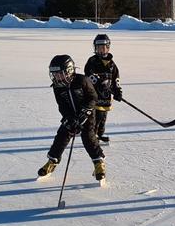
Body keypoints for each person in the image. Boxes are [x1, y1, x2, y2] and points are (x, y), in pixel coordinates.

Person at [37, 54, 107, 183]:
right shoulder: (57, 87)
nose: (56, 77)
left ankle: (99, 163)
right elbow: (62, 105)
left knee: (88, 137)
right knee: (61, 136)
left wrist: (85, 112)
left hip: (88, 114)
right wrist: (69, 118)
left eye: (59, 73)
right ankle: (52, 161)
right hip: (71, 116)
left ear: (69, 71)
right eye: (54, 74)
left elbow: (93, 97)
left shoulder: (82, 80)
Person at [83, 34, 124, 143]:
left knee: (103, 117)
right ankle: (93, 136)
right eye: (99, 47)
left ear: (108, 47)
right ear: (95, 48)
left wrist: (117, 90)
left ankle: (100, 133)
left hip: (106, 96)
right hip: (95, 95)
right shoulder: (92, 61)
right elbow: (88, 74)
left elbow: (116, 78)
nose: (101, 50)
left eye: (104, 47)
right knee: (95, 118)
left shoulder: (111, 64)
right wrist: (98, 82)